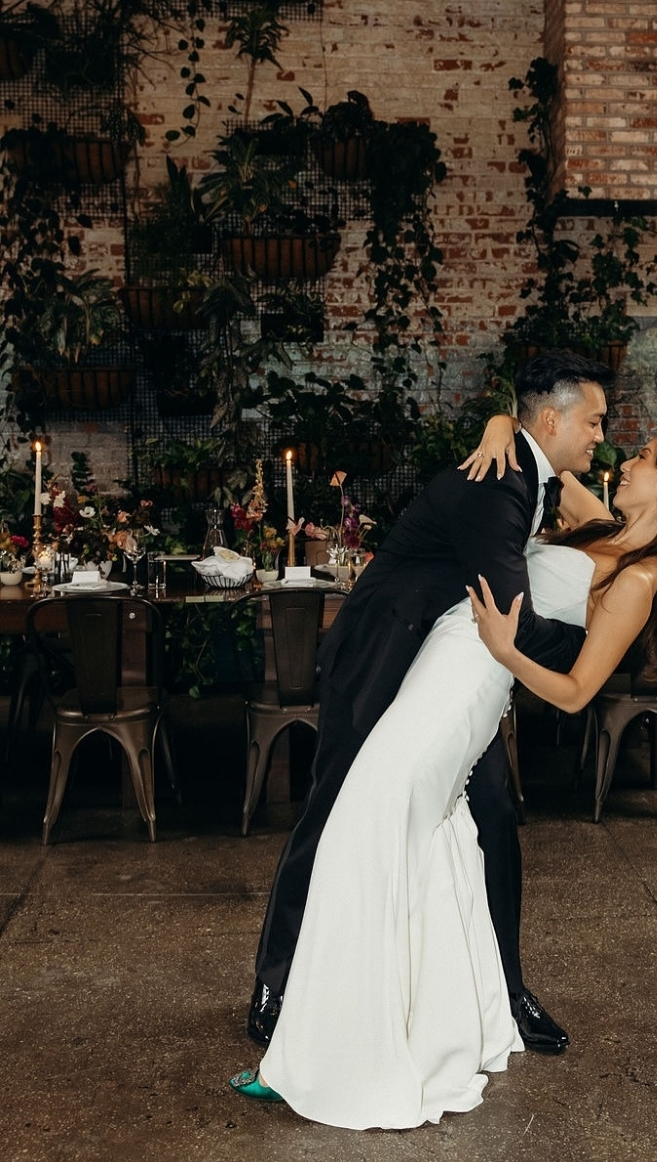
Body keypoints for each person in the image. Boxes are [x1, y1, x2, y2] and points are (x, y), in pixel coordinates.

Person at [236, 421, 657, 1128]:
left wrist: (506, 649)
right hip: (435, 664)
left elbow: (578, 690)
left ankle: (338, 1046)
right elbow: (541, 453)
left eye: (644, 460)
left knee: (367, 826)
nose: (624, 461)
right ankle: (416, 1022)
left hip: (466, 686)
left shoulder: (638, 579)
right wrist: (501, 422)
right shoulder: (596, 523)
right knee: (409, 839)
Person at [246, 352, 613, 1064]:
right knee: (333, 803)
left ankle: (507, 991)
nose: (602, 435)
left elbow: (609, 524)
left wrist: (503, 419)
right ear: (551, 418)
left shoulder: (534, 473)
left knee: (497, 817)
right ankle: (276, 981)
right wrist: (604, 641)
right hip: (380, 650)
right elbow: (515, 620)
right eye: (594, 421)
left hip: (444, 670)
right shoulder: (501, 484)